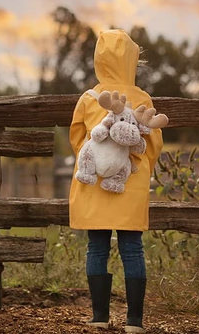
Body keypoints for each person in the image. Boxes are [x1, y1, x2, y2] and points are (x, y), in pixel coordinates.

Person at [68, 29, 164, 333]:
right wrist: (139, 163)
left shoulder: (88, 97)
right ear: (131, 60)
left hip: (93, 181)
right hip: (130, 182)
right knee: (132, 248)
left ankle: (99, 318)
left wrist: (97, 163)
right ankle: (134, 322)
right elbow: (154, 144)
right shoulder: (142, 98)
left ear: (100, 60)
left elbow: (76, 138)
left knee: (96, 248)